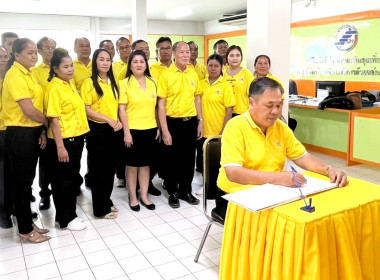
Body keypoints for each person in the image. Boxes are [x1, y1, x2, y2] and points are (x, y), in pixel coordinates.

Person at [218, 77, 348, 278]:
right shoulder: (235, 127)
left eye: (279, 105)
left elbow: (302, 157)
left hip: (273, 191)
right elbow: (233, 173)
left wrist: (329, 169)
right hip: (236, 196)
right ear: (251, 102)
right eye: (269, 105)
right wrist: (278, 178)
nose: (276, 112)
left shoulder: (280, 128)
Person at [2, 38, 50, 242]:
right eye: (29, 52)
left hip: (30, 131)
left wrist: (41, 129)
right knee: (21, 184)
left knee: (26, 182)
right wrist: (49, 122)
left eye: (34, 52)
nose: (34, 55)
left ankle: (29, 224)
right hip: (18, 133)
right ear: (16, 55)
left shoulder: (28, 74)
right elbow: (28, 110)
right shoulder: (14, 75)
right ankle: (24, 230)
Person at [46, 48, 89, 231]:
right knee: (63, 181)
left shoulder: (68, 84)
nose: (71, 69)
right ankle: (67, 219)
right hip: (65, 140)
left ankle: (65, 215)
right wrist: (60, 146)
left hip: (75, 138)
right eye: (66, 66)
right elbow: (54, 119)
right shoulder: (54, 87)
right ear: (55, 68)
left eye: (72, 65)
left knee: (70, 178)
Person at [157, 41, 203, 208]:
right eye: (182, 52)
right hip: (172, 123)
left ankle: (185, 191)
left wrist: (200, 121)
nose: (186, 54)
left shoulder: (193, 73)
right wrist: (165, 130)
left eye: (188, 51)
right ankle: (172, 192)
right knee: (172, 160)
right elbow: (161, 104)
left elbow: (197, 99)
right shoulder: (166, 75)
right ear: (174, 54)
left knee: (189, 159)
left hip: (190, 122)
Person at [116, 39, 162, 197]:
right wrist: (126, 133)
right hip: (132, 130)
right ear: (130, 65)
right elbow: (121, 109)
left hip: (150, 129)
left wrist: (158, 127)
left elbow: (157, 107)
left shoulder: (153, 82)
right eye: (135, 62)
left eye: (142, 61)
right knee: (132, 165)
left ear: (146, 64)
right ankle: (133, 197)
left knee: (145, 165)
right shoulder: (124, 83)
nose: (139, 64)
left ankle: (143, 196)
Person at [80, 49, 121, 219]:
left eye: (108, 60)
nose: (105, 62)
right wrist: (108, 119)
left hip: (113, 130)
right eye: (101, 59)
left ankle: (106, 199)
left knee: (110, 168)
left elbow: (117, 105)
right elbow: (86, 109)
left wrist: (117, 121)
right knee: (99, 170)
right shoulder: (89, 83)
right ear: (95, 62)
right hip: (97, 130)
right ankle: (99, 209)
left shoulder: (112, 81)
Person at [195, 54, 235, 174]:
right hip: (201, 129)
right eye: (210, 65)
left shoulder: (225, 85)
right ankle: (203, 188)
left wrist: (223, 131)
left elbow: (229, 110)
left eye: (216, 66)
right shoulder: (201, 83)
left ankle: (214, 189)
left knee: (215, 163)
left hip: (217, 130)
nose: (213, 68)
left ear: (221, 67)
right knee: (202, 161)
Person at [32, 36, 57, 210]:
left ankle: (63, 193)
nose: (51, 51)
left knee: (61, 161)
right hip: (43, 122)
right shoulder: (34, 72)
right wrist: (42, 127)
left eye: (53, 47)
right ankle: (44, 194)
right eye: (47, 48)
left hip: (62, 124)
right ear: (39, 50)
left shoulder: (60, 69)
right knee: (45, 162)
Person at [0, 46, 12, 228]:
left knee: (14, 172)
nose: (2, 59)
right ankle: (3, 213)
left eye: (4, 56)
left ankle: (15, 207)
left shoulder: (12, 77)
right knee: (2, 173)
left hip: (13, 130)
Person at [223, 45, 254, 116]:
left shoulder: (247, 74)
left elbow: (252, 95)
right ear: (227, 58)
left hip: (242, 112)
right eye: (231, 55)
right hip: (224, 112)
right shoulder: (222, 73)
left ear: (241, 58)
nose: (235, 58)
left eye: (237, 55)